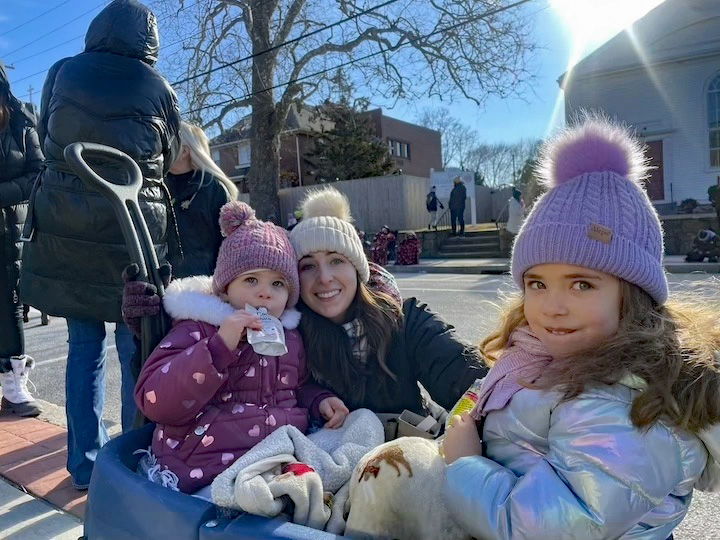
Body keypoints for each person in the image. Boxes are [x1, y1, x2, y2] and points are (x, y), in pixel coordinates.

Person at [441, 118, 720, 539]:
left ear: (633, 293)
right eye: (537, 283)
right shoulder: (543, 357)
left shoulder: (625, 403)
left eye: (582, 284)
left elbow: (543, 528)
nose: (552, 307)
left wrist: (463, 465)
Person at [19, 0, 181, 490]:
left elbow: (47, 131)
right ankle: (134, 458)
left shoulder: (62, 72)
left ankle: (85, 465)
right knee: (136, 342)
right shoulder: (159, 89)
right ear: (147, 40)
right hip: (130, 228)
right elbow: (169, 154)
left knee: (83, 347)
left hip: (66, 226)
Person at [134, 201, 347, 493]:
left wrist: (318, 400)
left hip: (273, 457)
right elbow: (154, 400)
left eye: (278, 284)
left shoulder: (290, 337)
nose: (265, 293)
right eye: (251, 280)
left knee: (360, 429)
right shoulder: (198, 328)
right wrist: (219, 347)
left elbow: (296, 388)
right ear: (225, 287)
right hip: (205, 464)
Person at [289, 187, 487, 415]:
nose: (324, 278)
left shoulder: (405, 321)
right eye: (308, 266)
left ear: (357, 269)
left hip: (407, 447)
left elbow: (471, 383)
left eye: (336, 261)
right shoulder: (288, 341)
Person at [0, 62, 43, 417]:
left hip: (8, 229)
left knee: (9, 306)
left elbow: (38, 174)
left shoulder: (20, 122)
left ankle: (14, 387)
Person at [165, 122, 237, 279]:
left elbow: (229, 243)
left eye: (166, 142)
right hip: (162, 285)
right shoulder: (156, 187)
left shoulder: (213, 189)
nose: (160, 148)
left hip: (204, 286)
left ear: (184, 151)